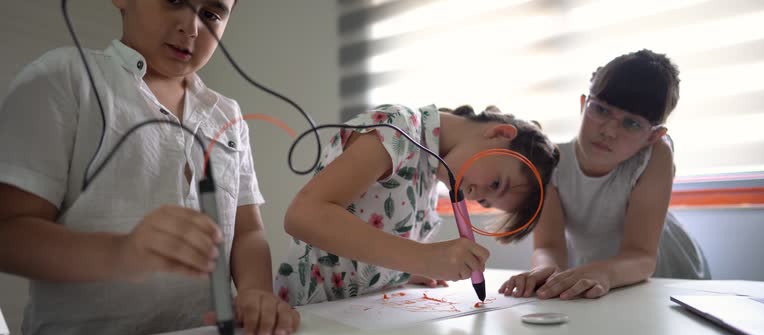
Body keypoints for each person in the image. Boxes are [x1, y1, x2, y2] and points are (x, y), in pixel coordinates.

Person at [0, 0, 297, 335]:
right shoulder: (63, 77)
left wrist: (255, 292)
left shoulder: (227, 114)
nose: (192, 27)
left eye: (211, 14)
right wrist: (121, 253)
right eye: (175, 1)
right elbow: (9, 230)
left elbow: (248, 230)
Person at [274, 103, 560, 305]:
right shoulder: (397, 129)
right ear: (499, 134)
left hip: (351, 320)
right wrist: (422, 257)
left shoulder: (430, 177)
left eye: (485, 201)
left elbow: (363, 241)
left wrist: (401, 270)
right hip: (305, 314)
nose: (473, 194)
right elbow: (303, 215)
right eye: (496, 183)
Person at [500, 49, 710, 301]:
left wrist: (603, 273)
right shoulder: (551, 160)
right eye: (601, 110)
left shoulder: (656, 155)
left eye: (631, 123)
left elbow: (641, 256)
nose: (609, 130)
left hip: (659, 272)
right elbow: (548, 245)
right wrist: (545, 269)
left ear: (653, 136)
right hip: (598, 271)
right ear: (583, 104)